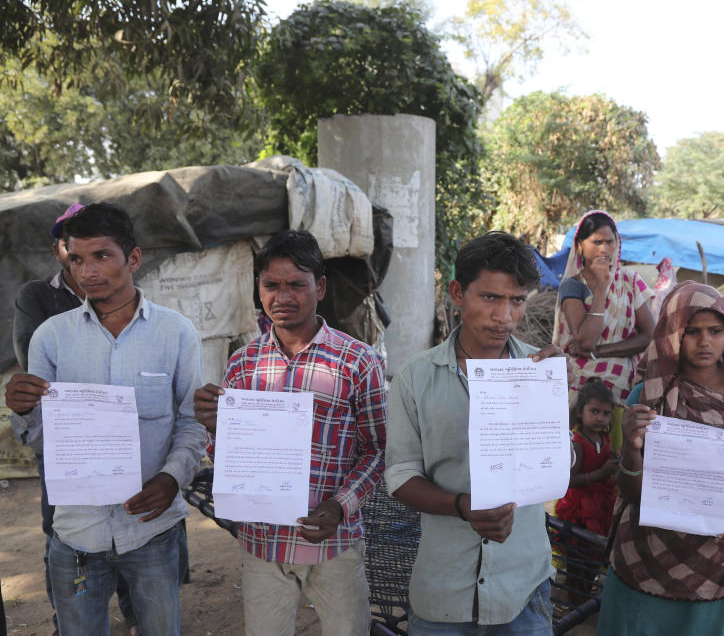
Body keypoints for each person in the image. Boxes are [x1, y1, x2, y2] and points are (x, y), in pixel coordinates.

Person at [4, 203, 206, 636]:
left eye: (101, 256)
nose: (86, 271)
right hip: (77, 531)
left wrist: (172, 478)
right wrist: (23, 412)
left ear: (133, 258)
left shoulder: (176, 333)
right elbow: (42, 441)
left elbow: (191, 423)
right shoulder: (50, 338)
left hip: (151, 530)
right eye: (76, 259)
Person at [193, 230, 385, 636]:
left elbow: (377, 450)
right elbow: (229, 456)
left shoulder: (357, 361)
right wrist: (215, 428)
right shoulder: (243, 365)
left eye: (296, 284)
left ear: (320, 287)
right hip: (263, 545)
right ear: (258, 290)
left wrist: (340, 506)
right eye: (271, 286)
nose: (283, 297)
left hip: (334, 544)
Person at [386, 231, 559, 634]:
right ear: (457, 293)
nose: (505, 317)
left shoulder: (538, 372)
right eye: (490, 298)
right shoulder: (415, 378)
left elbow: (559, 464)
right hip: (444, 589)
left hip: (524, 587)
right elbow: (400, 475)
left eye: (516, 300)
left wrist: (548, 398)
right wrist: (462, 505)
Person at [597, 281, 724, 636]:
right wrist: (632, 449)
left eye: (715, 331)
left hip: (720, 555)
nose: (705, 342)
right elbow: (629, 489)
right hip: (646, 554)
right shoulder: (647, 394)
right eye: (692, 332)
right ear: (672, 335)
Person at [552, 210, 655, 406]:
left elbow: (649, 336)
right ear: (581, 245)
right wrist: (601, 288)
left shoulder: (629, 282)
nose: (604, 249)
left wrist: (599, 352)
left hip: (623, 384)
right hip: (582, 387)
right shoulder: (573, 285)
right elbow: (586, 341)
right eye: (596, 242)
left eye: (609, 241)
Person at [555, 378, 618, 602]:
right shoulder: (577, 443)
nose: (601, 418)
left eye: (606, 413)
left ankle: (583, 592)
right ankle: (574, 602)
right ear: (580, 412)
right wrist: (601, 473)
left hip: (601, 505)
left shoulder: (603, 437)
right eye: (595, 411)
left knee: (594, 555)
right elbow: (569, 481)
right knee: (578, 558)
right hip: (580, 509)